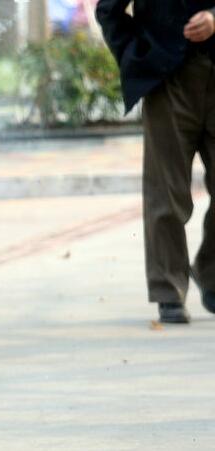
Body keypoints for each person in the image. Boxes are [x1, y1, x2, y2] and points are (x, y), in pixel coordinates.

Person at [96, 1, 215, 323]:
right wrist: (135, 56)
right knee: (166, 192)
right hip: (168, 81)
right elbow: (108, 10)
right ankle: (168, 290)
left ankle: (210, 270)